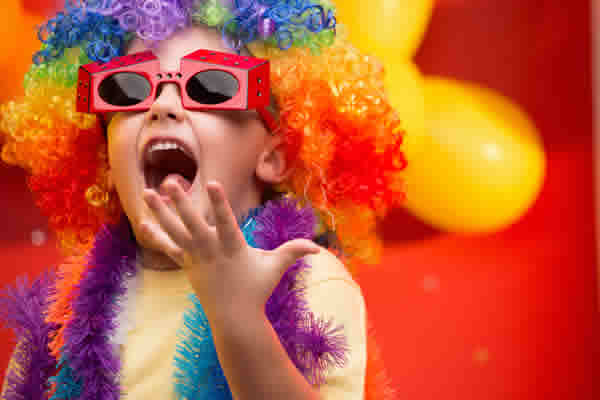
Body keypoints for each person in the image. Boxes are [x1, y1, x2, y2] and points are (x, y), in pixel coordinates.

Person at [0, 1, 407, 399]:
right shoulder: (58, 319)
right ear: (105, 154)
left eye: (210, 85)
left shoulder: (303, 280)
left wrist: (239, 318)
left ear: (274, 155)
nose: (162, 106)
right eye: (127, 88)